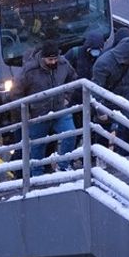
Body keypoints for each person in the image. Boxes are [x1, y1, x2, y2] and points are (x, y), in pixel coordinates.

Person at [17, 41, 79, 176]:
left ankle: (63, 165)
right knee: (37, 145)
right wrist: (25, 112)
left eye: (55, 58)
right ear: (43, 58)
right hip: (38, 112)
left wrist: (67, 97)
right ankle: (36, 174)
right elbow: (17, 92)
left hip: (59, 109)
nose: (53, 62)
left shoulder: (63, 64)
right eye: (50, 59)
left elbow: (73, 79)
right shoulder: (30, 70)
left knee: (71, 133)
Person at [91, 29, 129, 152]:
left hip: (127, 97)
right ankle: (101, 155)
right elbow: (96, 89)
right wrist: (99, 110)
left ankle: (124, 155)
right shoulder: (103, 63)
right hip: (107, 99)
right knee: (103, 130)